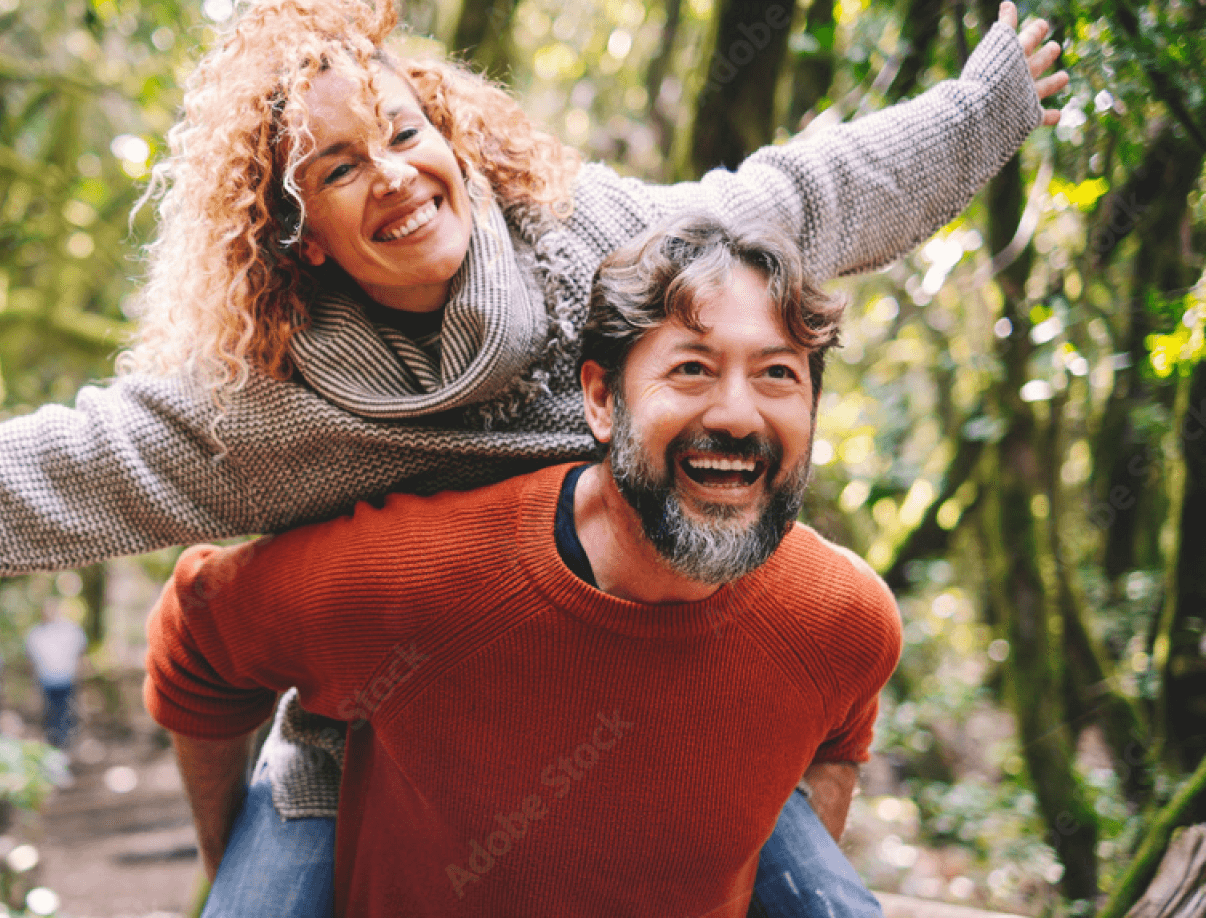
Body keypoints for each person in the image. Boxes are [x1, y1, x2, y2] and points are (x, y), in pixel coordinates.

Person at [0, 0, 1065, 911]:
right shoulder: (271, 406)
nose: (391, 174)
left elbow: (802, 200)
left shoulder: (597, 245)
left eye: (401, 129)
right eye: (337, 167)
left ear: (449, 131)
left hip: (654, 684)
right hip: (381, 727)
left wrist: (982, 107)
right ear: (301, 235)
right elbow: (60, 470)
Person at [146, 212, 903, 916]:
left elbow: (839, 736)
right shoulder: (421, 581)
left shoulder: (844, 619)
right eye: (692, 370)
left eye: (778, 374)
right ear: (603, 401)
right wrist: (234, 868)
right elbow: (199, 632)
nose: (738, 415)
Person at [25, 600, 88, 751]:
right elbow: (31, 661)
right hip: (46, 681)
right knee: (50, 712)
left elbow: (80, 654)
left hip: (66, 679)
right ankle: (53, 743)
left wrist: (80, 673)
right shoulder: (36, 634)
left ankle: (64, 744)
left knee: (65, 711)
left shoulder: (70, 630)